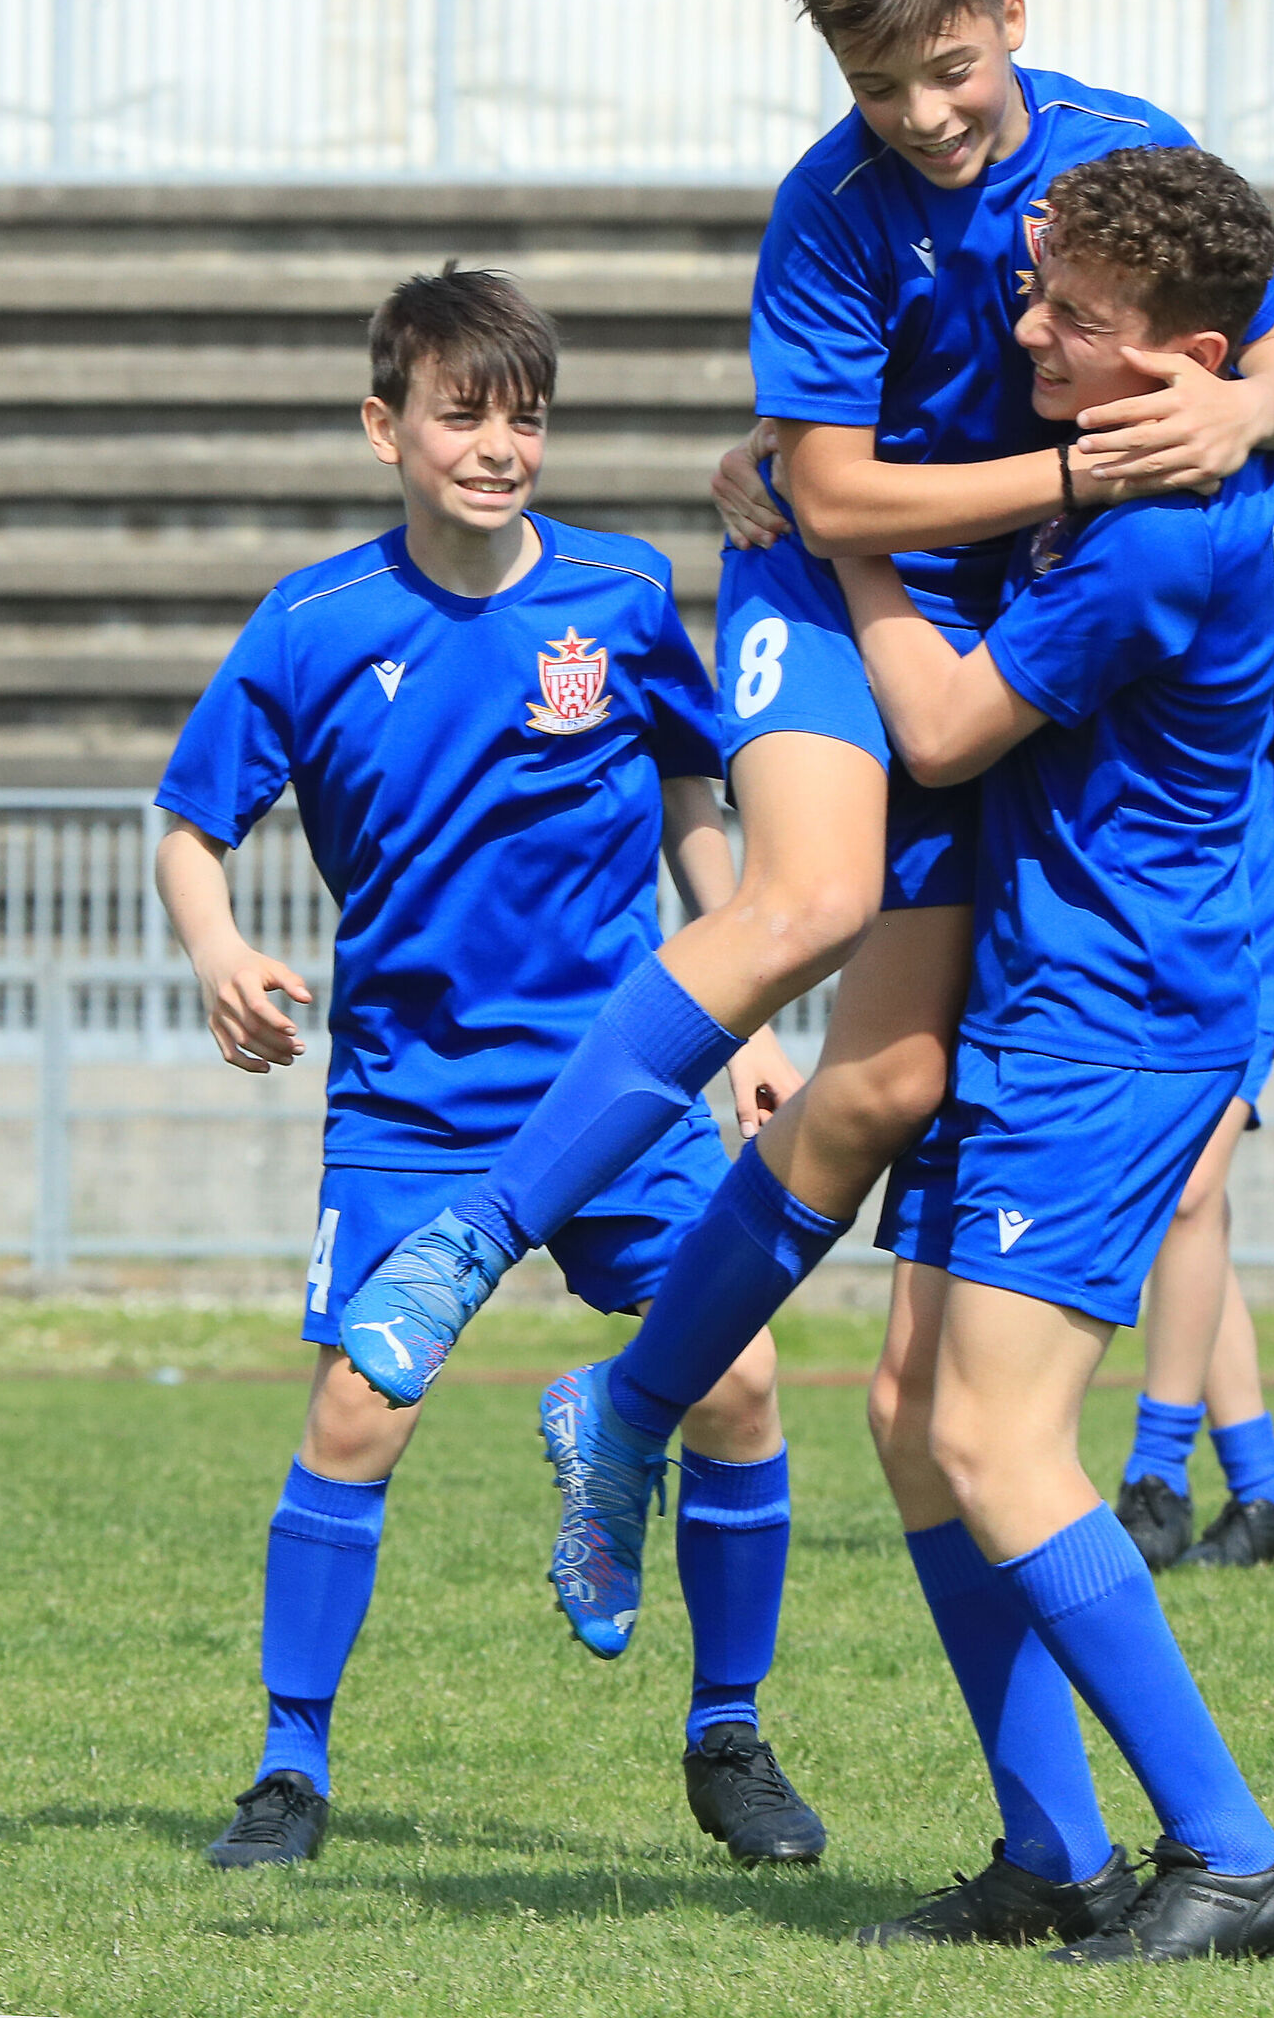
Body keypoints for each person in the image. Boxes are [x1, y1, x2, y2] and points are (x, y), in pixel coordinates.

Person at [338, 0, 1274, 1549]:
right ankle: (470, 1242)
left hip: (985, 622)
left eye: (950, 70)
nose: (928, 115)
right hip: (835, 581)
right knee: (804, 896)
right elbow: (839, 497)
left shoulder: (1121, 159)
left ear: (1011, 14)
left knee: (879, 1089)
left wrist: (1245, 411)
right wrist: (1081, 483)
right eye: (882, 86)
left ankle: (630, 1406)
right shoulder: (830, 212)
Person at [534, 146, 1274, 1964]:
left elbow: (953, 726)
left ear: (1192, 357)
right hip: (1047, 985)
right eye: (1039, 294)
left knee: (992, 1432)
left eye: (1081, 321)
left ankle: (1231, 1853)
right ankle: (1051, 1852)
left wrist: (835, 535)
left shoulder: (1163, 524)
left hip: (1120, 1012)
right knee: (909, 1419)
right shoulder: (1138, 450)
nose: (1031, 331)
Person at [155, 265, 823, 1874]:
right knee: (356, 1412)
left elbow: (692, 802)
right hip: (411, 1098)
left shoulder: (614, 590)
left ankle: (728, 1734)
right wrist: (221, 949)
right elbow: (190, 822)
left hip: (627, 1085)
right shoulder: (313, 625)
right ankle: (289, 1769)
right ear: (386, 427)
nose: (501, 446)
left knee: (736, 1380)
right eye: (465, 415)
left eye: (526, 417)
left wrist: (750, 1012)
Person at [1117, 594, 1274, 1572]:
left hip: (1246, 942)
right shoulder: (1092, 584)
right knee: (1192, 1220)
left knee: (1185, 1193)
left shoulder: (1254, 598)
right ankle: (1262, 1501)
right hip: (1147, 946)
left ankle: (1154, 1482)